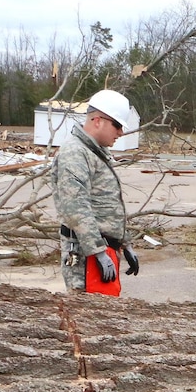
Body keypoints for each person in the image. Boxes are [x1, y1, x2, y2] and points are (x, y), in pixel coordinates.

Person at [53, 89, 140, 296]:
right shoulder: (75, 153)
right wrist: (97, 252)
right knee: (86, 317)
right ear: (98, 120)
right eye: (117, 125)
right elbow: (75, 206)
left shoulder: (95, 153)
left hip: (103, 251)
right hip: (85, 255)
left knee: (105, 316)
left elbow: (106, 205)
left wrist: (125, 243)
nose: (120, 133)